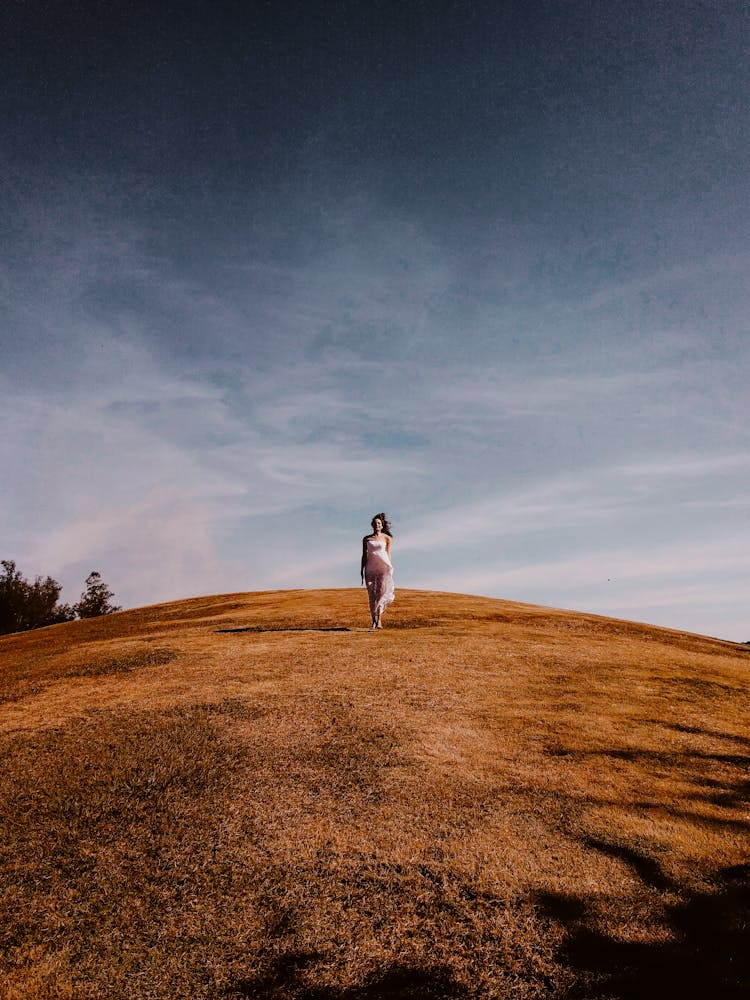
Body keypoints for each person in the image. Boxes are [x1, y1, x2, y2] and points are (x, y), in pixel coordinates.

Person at [360, 512, 395, 629]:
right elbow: (364, 556)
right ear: (372, 525)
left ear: (382, 525)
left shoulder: (387, 538)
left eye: (379, 523)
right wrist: (362, 569)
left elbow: (388, 555)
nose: (377, 525)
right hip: (370, 568)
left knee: (381, 593)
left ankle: (379, 620)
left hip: (383, 569)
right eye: (375, 523)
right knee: (371, 595)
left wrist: (390, 568)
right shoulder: (366, 539)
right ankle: (373, 621)